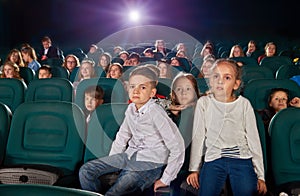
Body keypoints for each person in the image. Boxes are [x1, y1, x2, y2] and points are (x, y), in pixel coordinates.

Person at [79, 66, 185, 195]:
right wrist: (112, 164)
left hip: (150, 163)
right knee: (86, 171)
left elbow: (177, 146)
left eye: (143, 87)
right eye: (132, 86)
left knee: (123, 184)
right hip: (129, 156)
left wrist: (166, 179)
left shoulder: (156, 112)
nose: (136, 91)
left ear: (152, 93)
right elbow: (122, 137)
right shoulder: (130, 109)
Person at [186, 58, 267, 195]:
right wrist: (194, 169)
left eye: (227, 77)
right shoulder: (204, 103)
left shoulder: (244, 104)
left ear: (236, 84)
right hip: (214, 159)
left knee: (247, 191)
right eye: (216, 76)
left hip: (241, 159)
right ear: (210, 80)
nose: (220, 81)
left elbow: (254, 140)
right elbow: (198, 136)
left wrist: (260, 176)